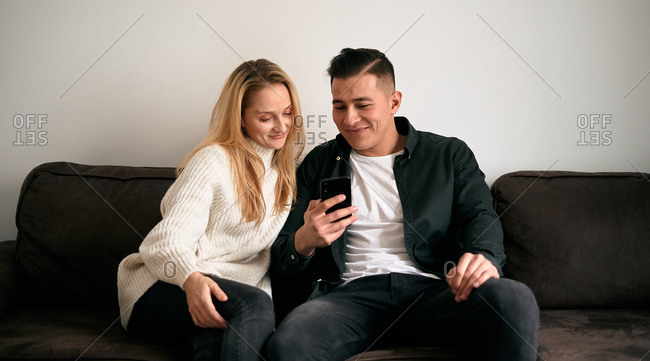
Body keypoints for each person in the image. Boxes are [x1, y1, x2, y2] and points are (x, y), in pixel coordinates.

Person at [267, 48, 540, 361]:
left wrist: (485, 257)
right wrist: (304, 240)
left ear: (394, 102)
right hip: (348, 299)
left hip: (436, 291)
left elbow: (479, 215)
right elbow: (281, 254)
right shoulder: (320, 162)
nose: (349, 119)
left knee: (513, 298)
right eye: (339, 106)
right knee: (290, 343)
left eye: (362, 105)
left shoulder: (448, 154)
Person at [117, 59, 304, 360]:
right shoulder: (213, 161)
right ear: (241, 118)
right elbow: (164, 242)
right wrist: (191, 279)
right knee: (253, 305)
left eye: (287, 113)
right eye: (266, 118)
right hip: (161, 288)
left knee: (217, 343)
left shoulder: (286, 174)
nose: (282, 126)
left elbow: (259, 263)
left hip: (225, 297)